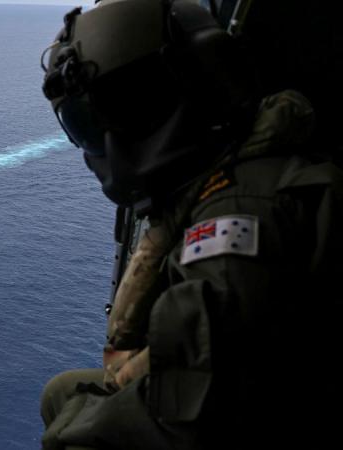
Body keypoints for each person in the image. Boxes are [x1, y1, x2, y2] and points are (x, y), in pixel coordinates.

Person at [38, 0, 343, 449]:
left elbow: (192, 419)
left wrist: (73, 428)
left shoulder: (237, 217)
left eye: (123, 111)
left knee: (70, 414)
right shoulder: (230, 173)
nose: (106, 143)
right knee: (62, 392)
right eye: (85, 125)